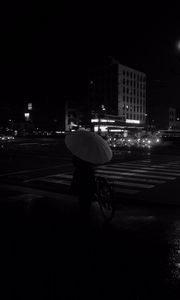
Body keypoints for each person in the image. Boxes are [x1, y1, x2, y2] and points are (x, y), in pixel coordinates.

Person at [70, 155, 97, 220]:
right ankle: (86, 210)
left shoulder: (78, 153)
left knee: (81, 194)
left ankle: (83, 211)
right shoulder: (91, 153)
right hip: (89, 173)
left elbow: (74, 162)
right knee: (88, 193)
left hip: (80, 174)